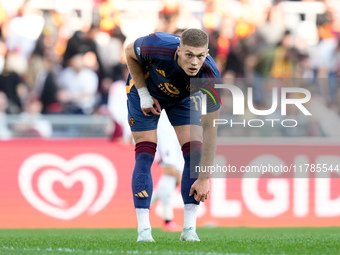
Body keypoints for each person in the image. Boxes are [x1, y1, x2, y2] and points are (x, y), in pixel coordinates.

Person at [125, 28, 221, 242]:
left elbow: (210, 129)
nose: (195, 62)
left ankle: (189, 230)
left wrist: (204, 178)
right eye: (189, 55)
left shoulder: (210, 76)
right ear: (178, 51)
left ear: (207, 53)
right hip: (146, 90)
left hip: (183, 98)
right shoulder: (156, 44)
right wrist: (143, 94)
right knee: (145, 152)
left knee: (194, 153)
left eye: (200, 56)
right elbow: (129, 51)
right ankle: (144, 232)